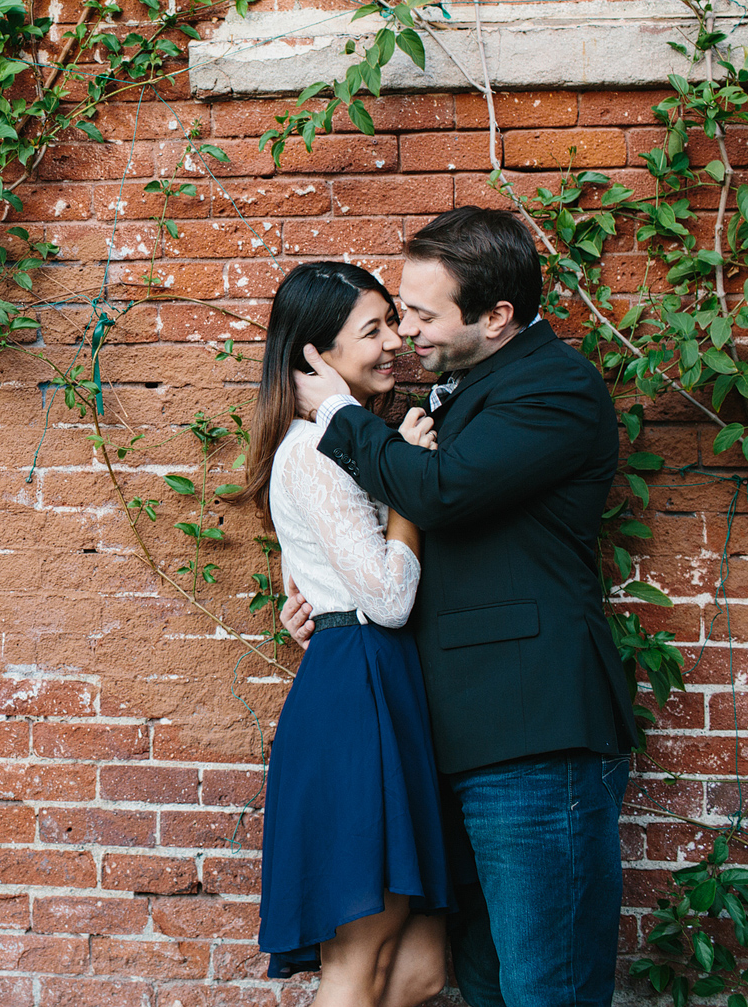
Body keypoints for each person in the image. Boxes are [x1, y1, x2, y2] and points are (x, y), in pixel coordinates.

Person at [284, 206, 636, 1007]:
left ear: (498, 316)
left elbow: (438, 494)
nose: (405, 332)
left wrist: (339, 414)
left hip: (535, 740)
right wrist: (320, 601)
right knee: (482, 983)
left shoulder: (556, 390)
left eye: (420, 313)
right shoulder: (466, 391)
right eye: (400, 311)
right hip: (452, 740)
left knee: (548, 987)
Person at [235, 260, 449, 1007]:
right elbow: (388, 598)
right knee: (355, 962)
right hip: (358, 692)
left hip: (372, 682)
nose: (395, 340)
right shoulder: (315, 451)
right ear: (314, 358)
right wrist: (411, 486)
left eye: (394, 321)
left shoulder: (338, 443)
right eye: (374, 329)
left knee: (421, 964)